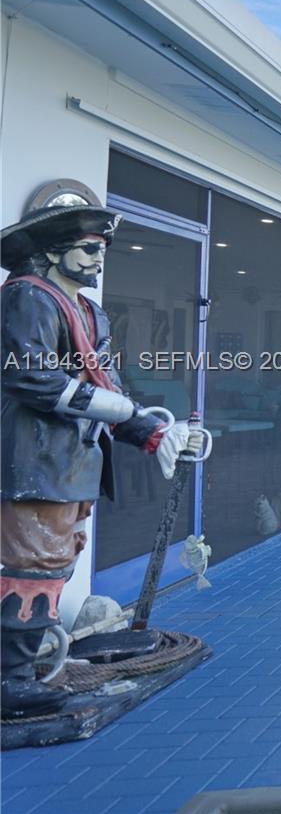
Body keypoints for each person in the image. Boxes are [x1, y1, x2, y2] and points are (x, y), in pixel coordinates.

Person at [1, 183, 194, 718]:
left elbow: (104, 388)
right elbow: (33, 380)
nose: (97, 258)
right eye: (89, 248)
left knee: (51, 563)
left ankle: (22, 667)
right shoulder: (28, 295)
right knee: (33, 566)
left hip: (71, 464)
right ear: (54, 251)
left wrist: (155, 432)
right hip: (34, 460)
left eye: (101, 250)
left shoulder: (91, 312)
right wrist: (131, 416)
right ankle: (11, 684)